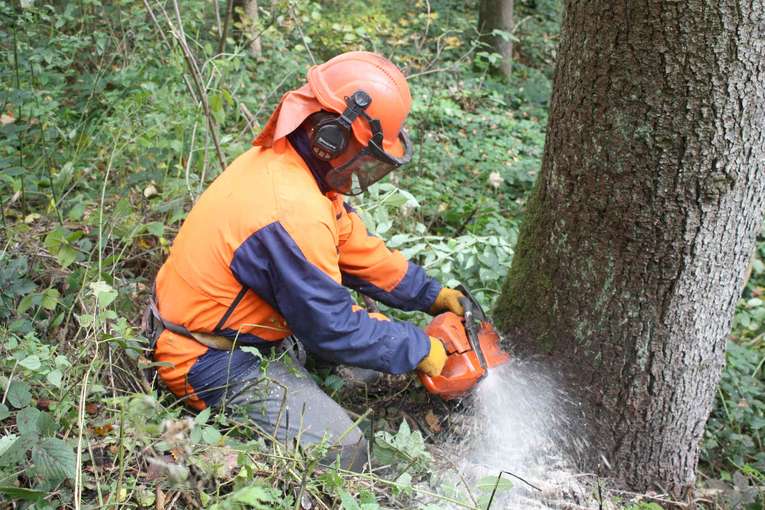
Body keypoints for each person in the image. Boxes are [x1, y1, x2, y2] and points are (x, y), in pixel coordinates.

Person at [145, 51, 465, 471]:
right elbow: (330, 329)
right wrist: (419, 346)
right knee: (342, 448)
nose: (365, 170)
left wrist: (431, 295)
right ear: (331, 134)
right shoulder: (289, 208)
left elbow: (354, 247)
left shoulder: (297, 167)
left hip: (245, 329)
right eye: (365, 156)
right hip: (206, 356)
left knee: (362, 371)